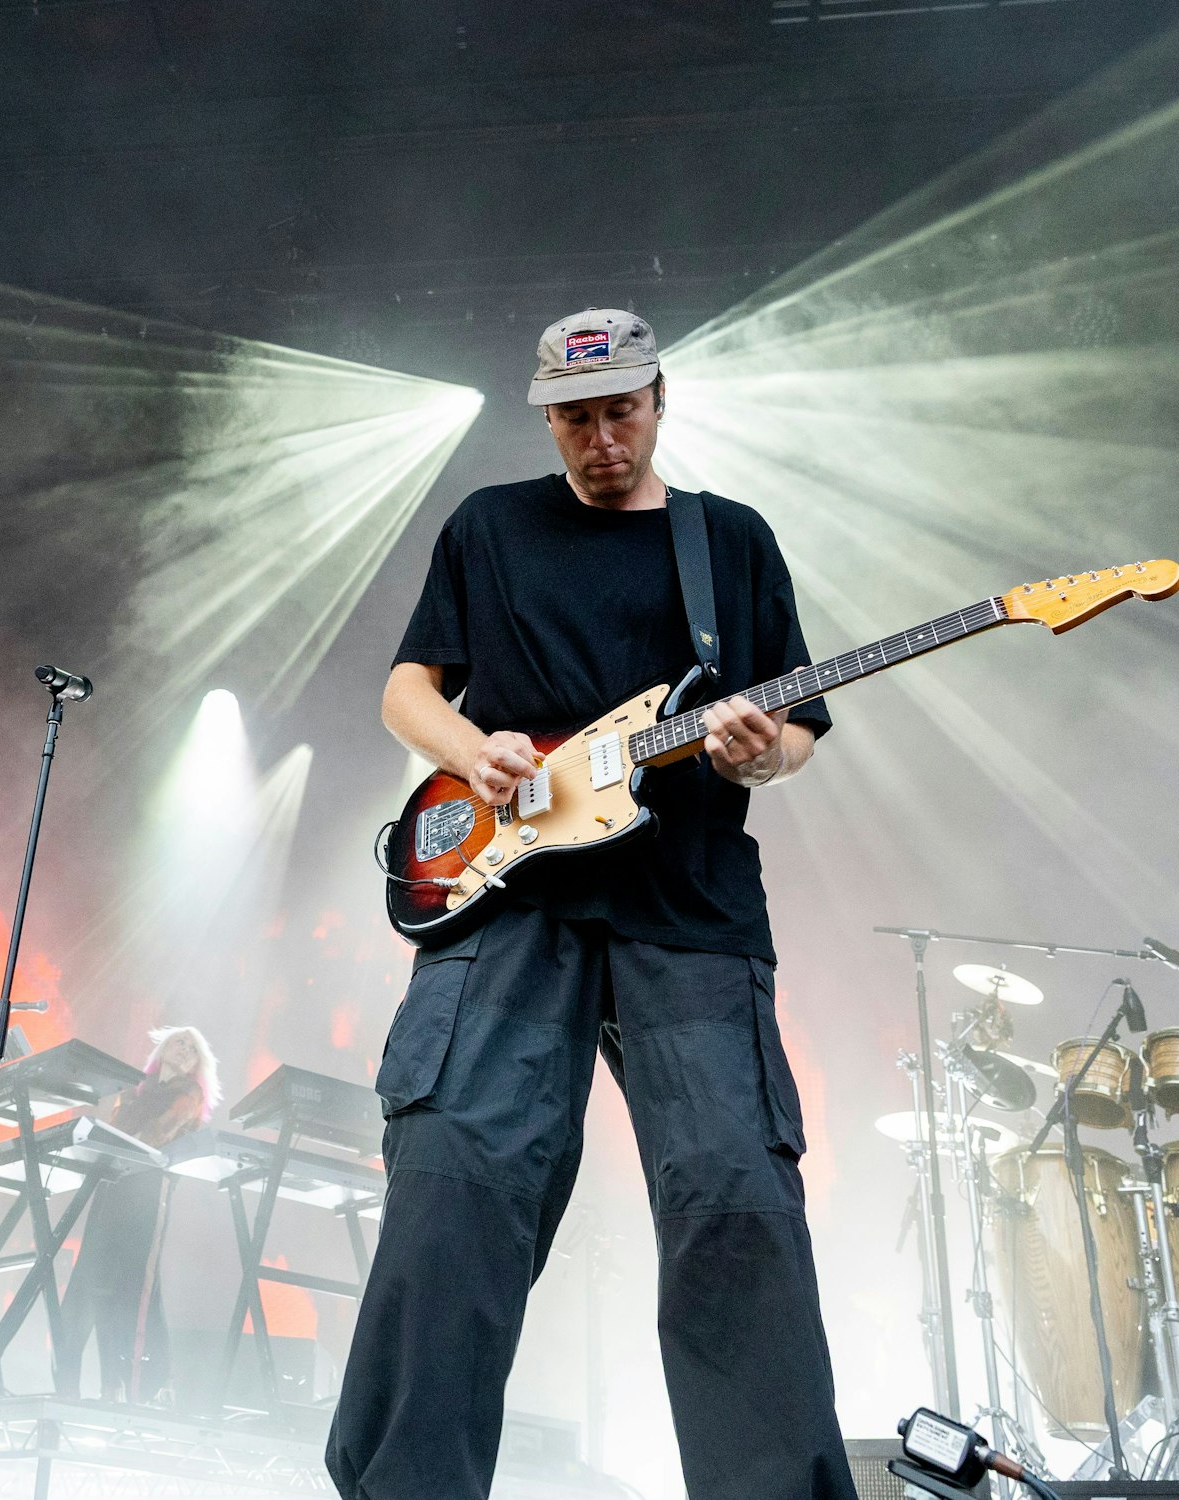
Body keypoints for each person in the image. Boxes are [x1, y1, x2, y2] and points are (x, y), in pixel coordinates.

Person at [325, 309, 858, 1500]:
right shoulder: (491, 526)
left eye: (618, 410)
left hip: (689, 905)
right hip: (511, 906)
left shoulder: (728, 541)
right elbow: (406, 690)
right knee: (453, 1189)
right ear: (544, 415)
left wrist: (755, 755)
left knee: (735, 1201)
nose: (598, 437)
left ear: (658, 401)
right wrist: (474, 751)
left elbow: (799, 734)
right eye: (573, 415)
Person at [55, 1026, 220, 1404]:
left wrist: (111, 1143)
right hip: (111, 1186)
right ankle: (70, 1385)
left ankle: (132, 1389)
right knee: (89, 1281)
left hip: (145, 1193)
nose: (183, 1048)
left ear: (197, 1064)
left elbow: (154, 1136)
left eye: (192, 1047)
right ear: (162, 1048)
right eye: (179, 1040)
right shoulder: (133, 1092)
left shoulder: (187, 1094)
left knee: (131, 1287)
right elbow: (111, 1133)